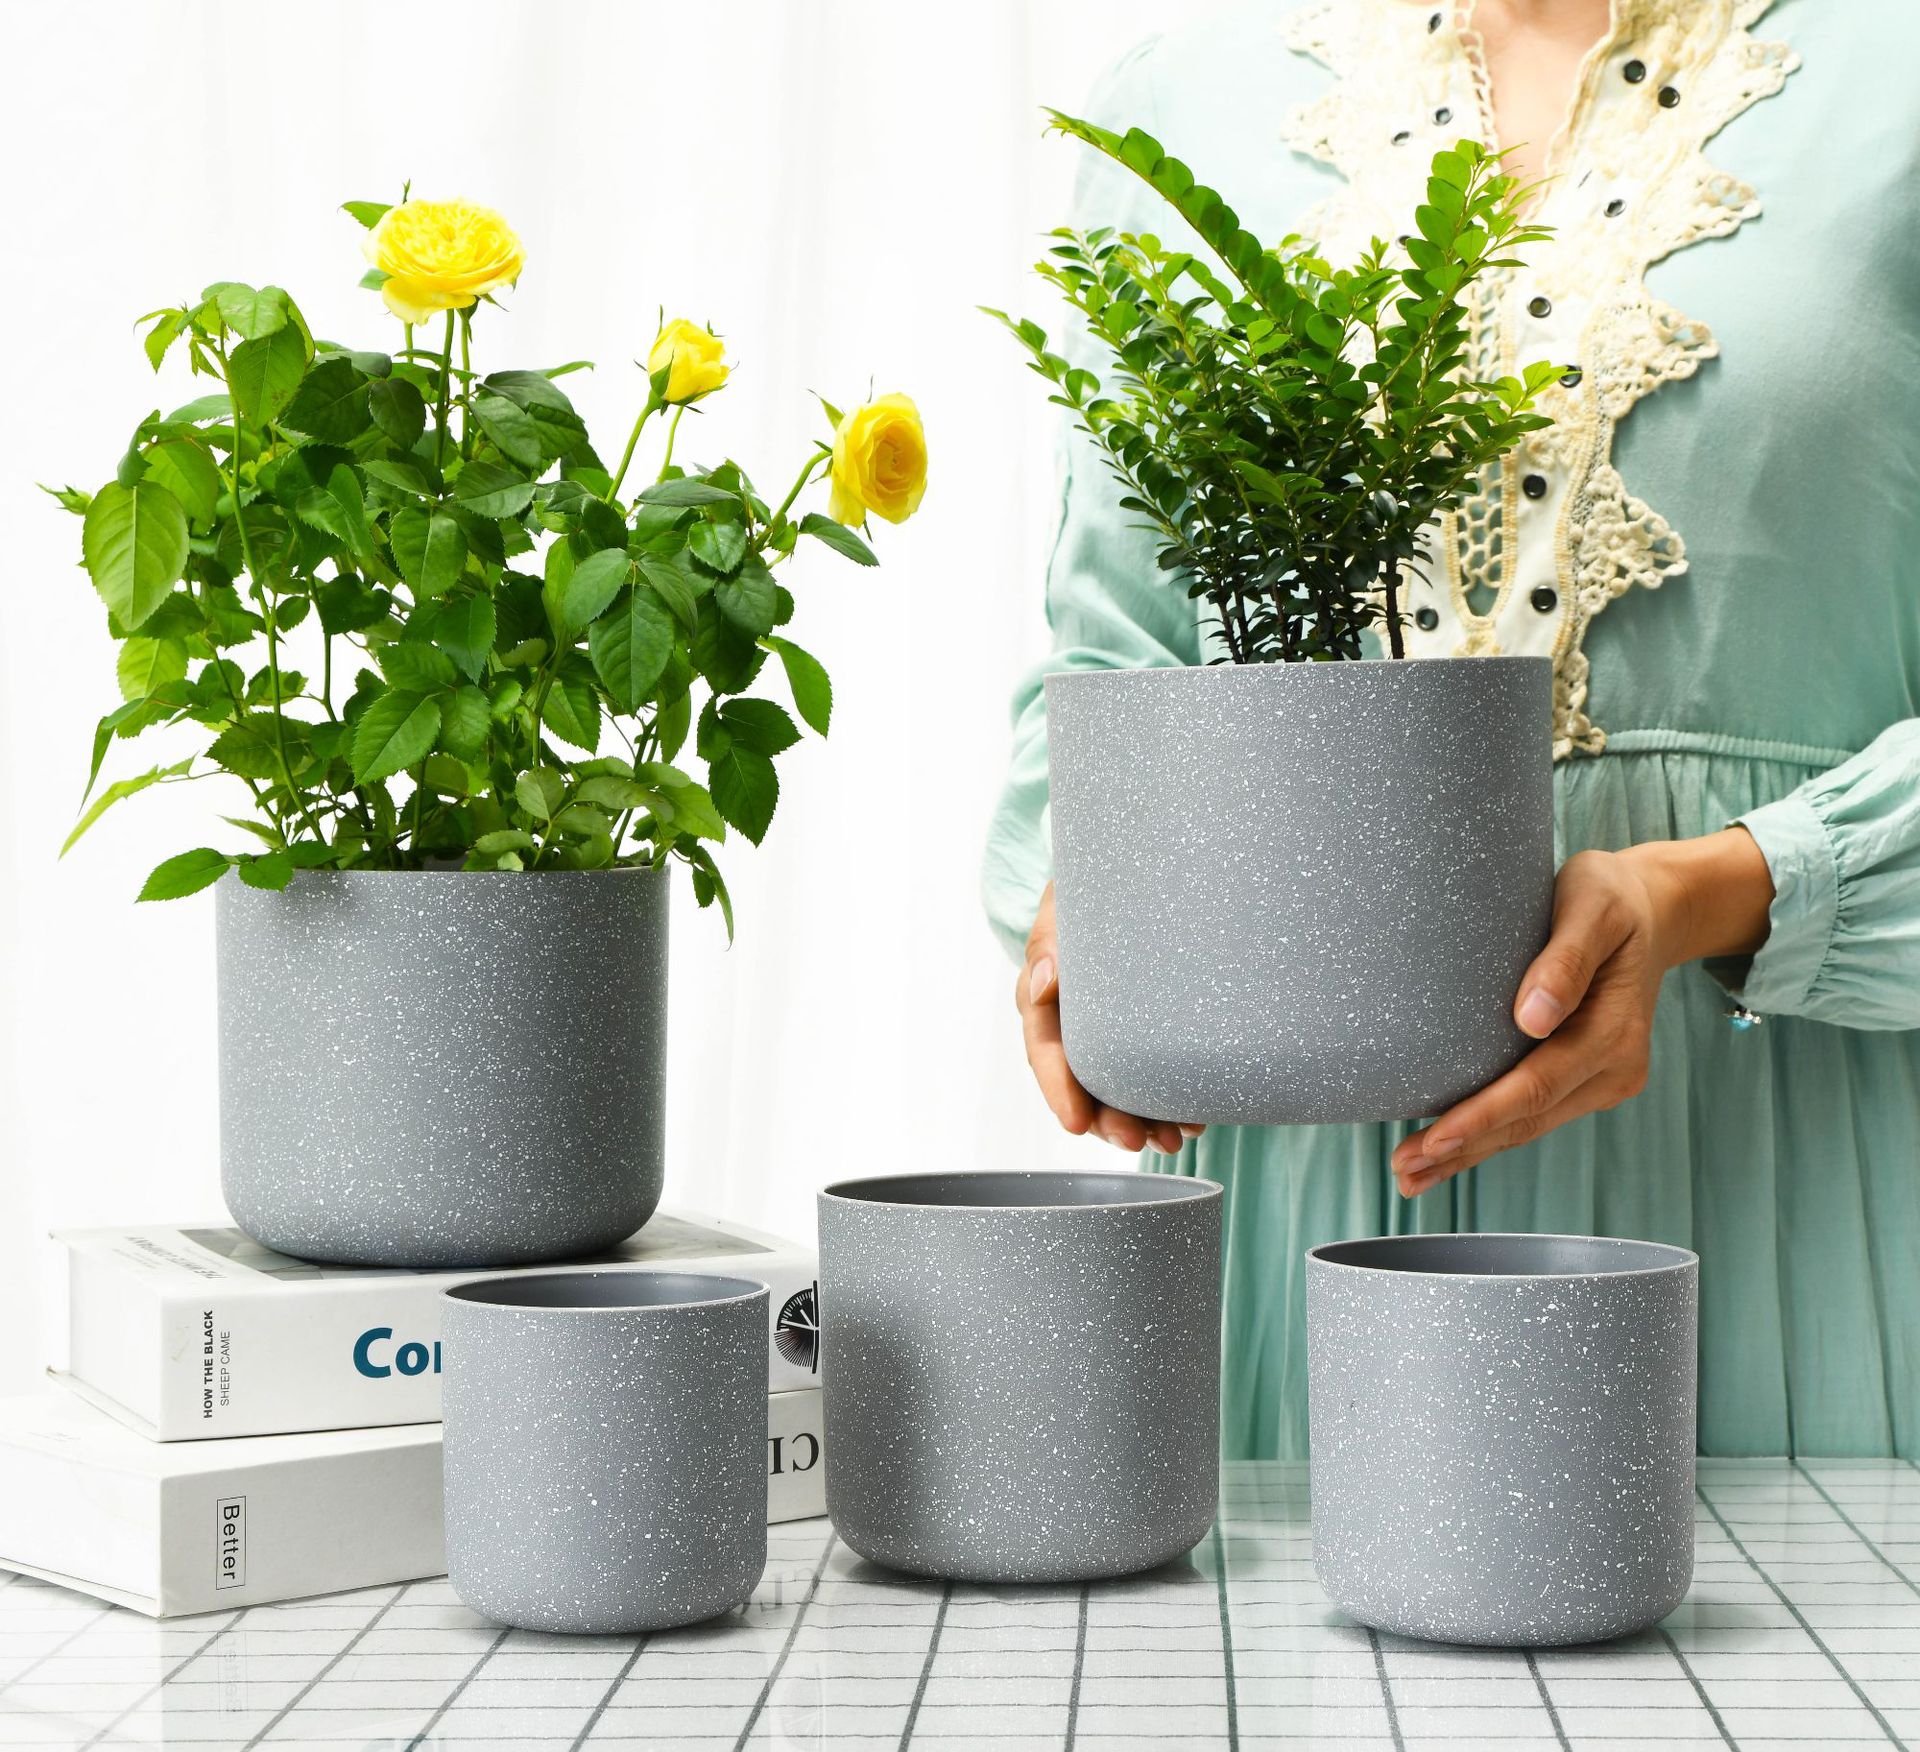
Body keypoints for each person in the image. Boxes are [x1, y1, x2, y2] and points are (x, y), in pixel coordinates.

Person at [984, 0, 1920, 1460]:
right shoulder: (1183, 102)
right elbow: (1110, 659)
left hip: (1781, 1141)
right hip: (1309, 1183)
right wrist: (1094, 907)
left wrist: (1714, 888)